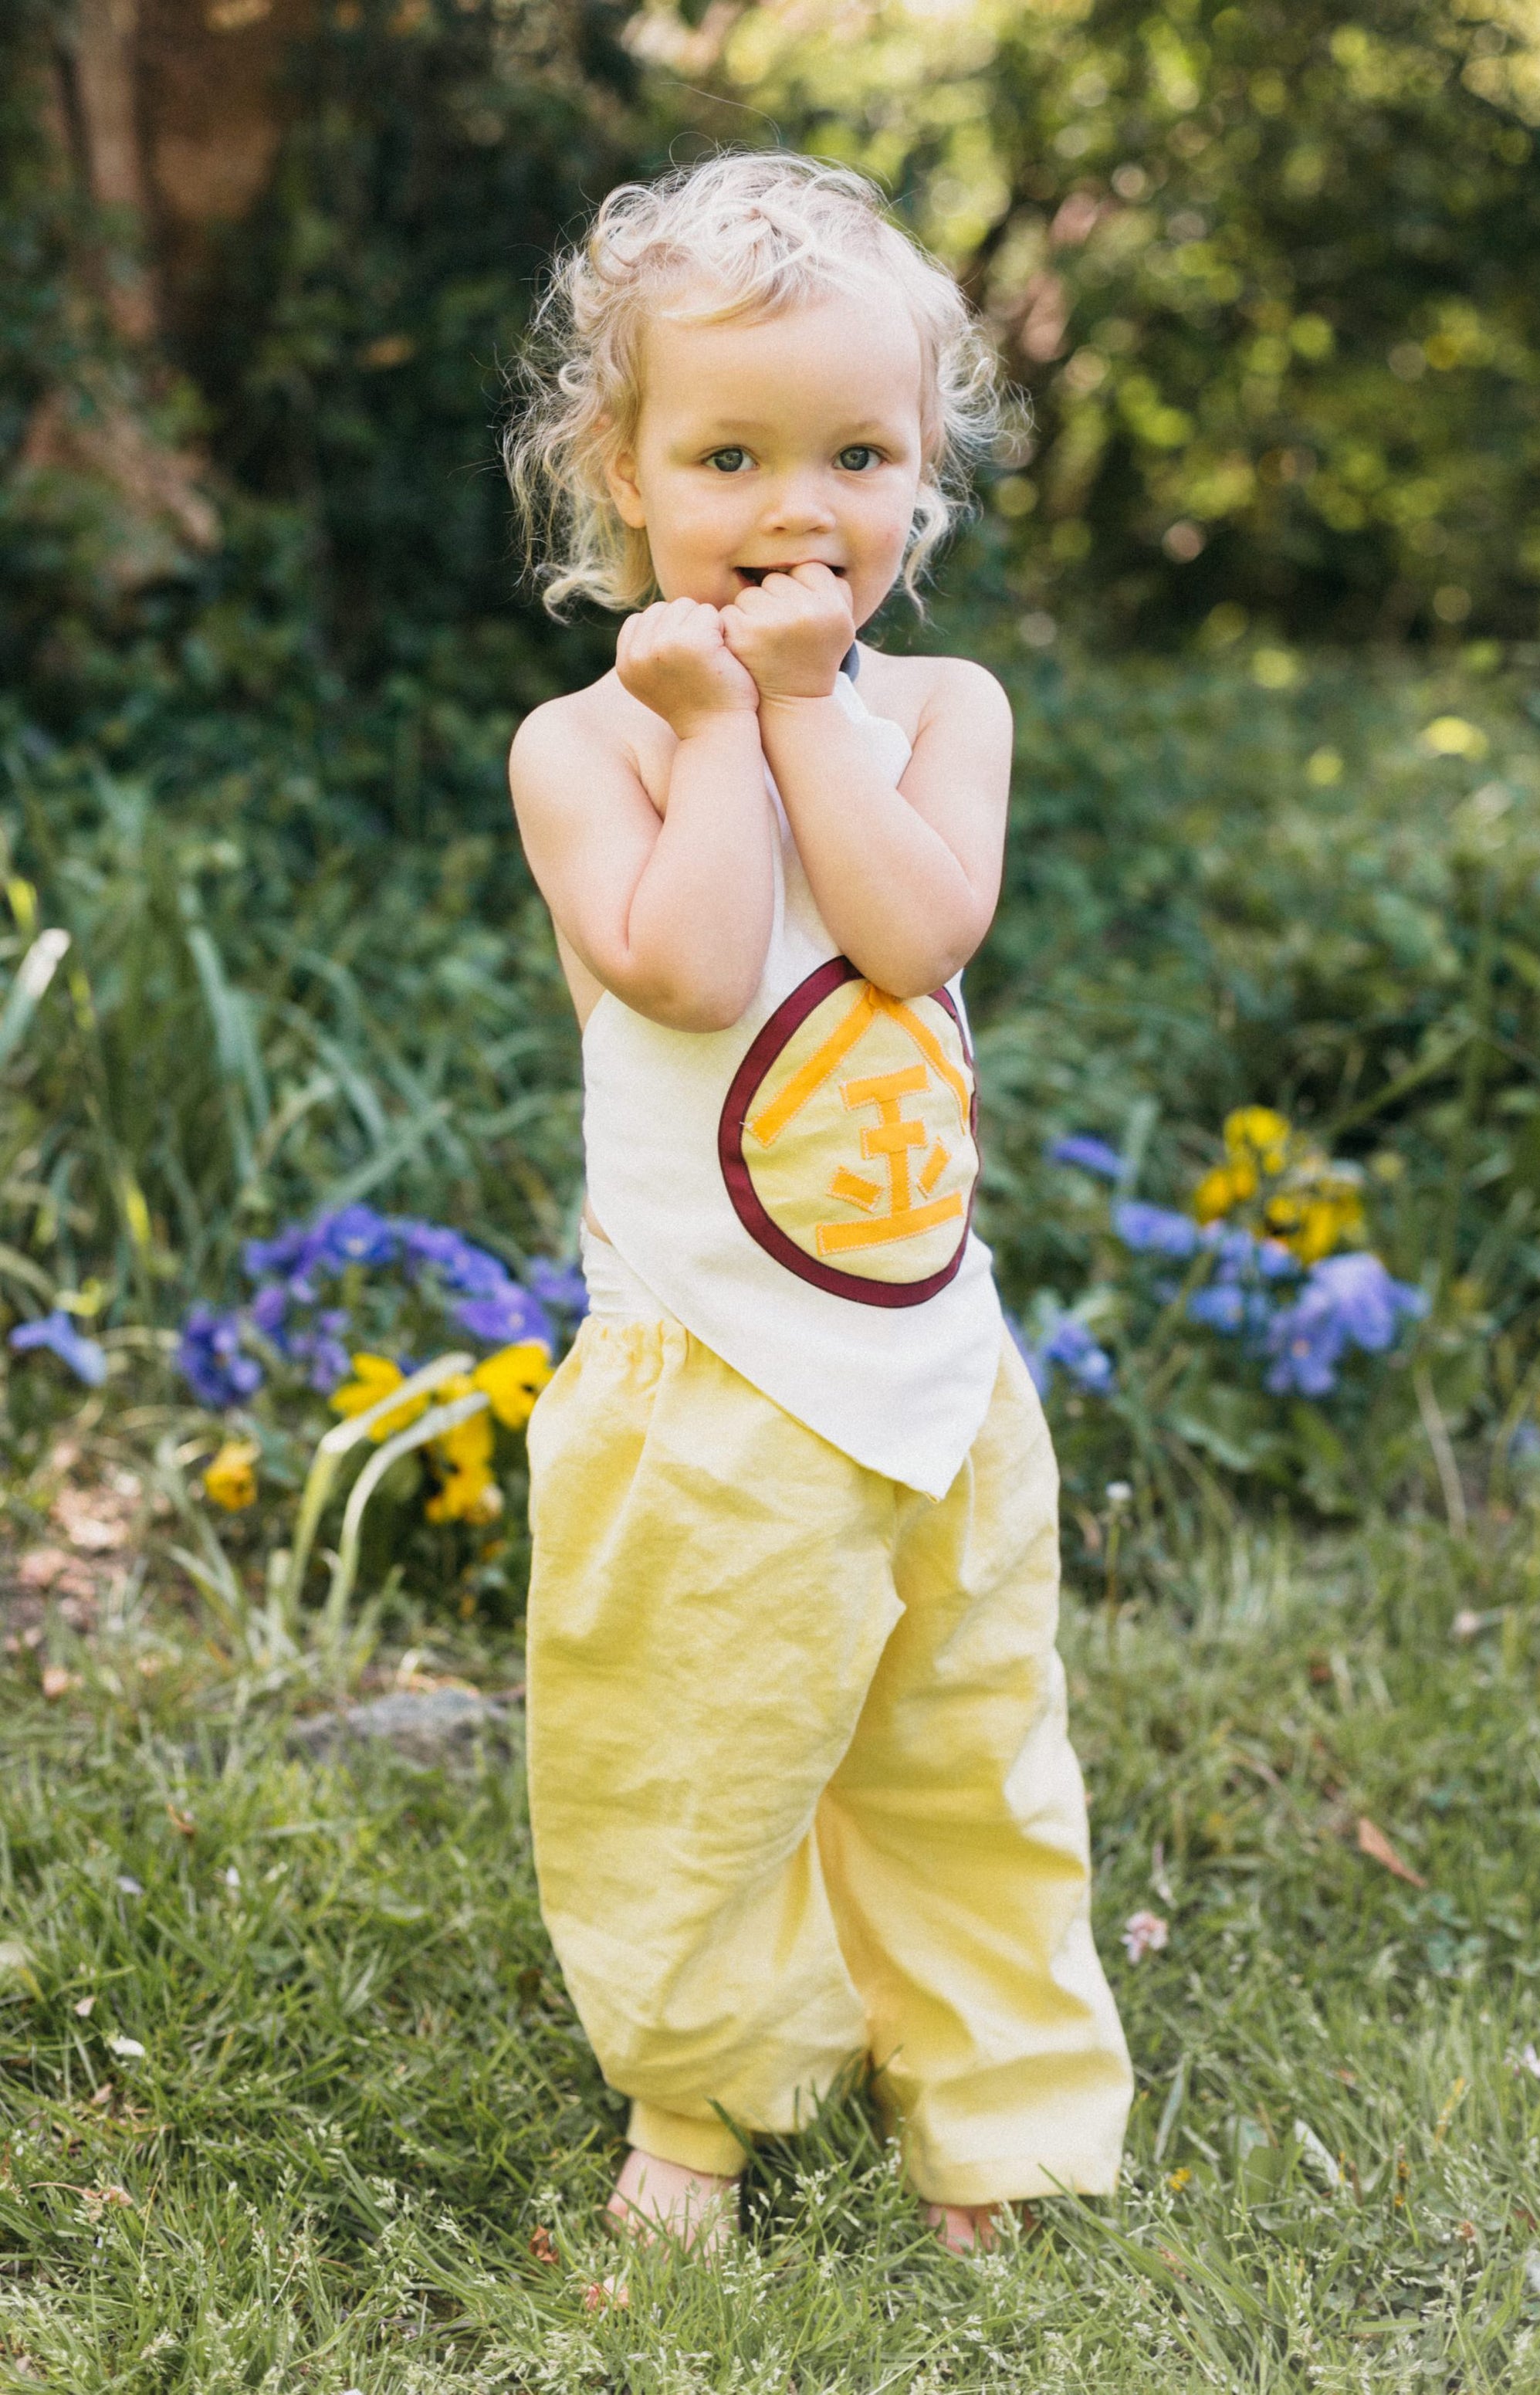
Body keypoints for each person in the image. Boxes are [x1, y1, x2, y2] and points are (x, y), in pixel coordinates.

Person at [504, 150, 1131, 2261]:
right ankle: (697, 2103)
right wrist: (710, 733)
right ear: (625, 473)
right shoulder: (583, 747)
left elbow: (911, 924)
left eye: (857, 452)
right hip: (712, 1381)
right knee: (697, 1768)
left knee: (972, 1753)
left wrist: (794, 716)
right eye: (733, 453)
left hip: (937, 1368)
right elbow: (681, 966)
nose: (799, 505)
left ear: (925, 472)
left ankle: (1006, 2122)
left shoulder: (941, 714)